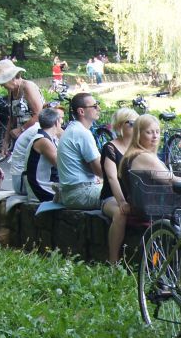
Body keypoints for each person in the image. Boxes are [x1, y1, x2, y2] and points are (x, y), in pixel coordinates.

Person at [56, 92, 128, 262]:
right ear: (81, 111)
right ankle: (114, 259)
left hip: (74, 190)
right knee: (124, 201)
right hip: (80, 192)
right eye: (94, 106)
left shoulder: (73, 130)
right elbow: (100, 170)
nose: (98, 108)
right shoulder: (82, 133)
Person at [0, 59, 44, 154]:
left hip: (36, 136)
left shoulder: (28, 87)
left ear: (12, 78)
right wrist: (6, 141)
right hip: (22, 138)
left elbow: (40, 114)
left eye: (3, 82)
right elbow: (12, 117)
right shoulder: (11, 91)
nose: (1, 85)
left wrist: (21, 129)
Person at [99, 107, 138, 228]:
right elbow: (112, 178)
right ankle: (113, 248)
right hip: (111, 197)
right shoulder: (110, 148)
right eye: (131, 123)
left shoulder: (138, 147)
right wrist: (121, 202)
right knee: (120, 214)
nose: (136, 126)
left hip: (134, 196)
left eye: (138, 123)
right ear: (120, 125)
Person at [13, 108, 62, 201]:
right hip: (41, 190)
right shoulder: (43, 141)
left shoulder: (47, 138)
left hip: (44, 187)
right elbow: (62, 166)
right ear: (56, 122)